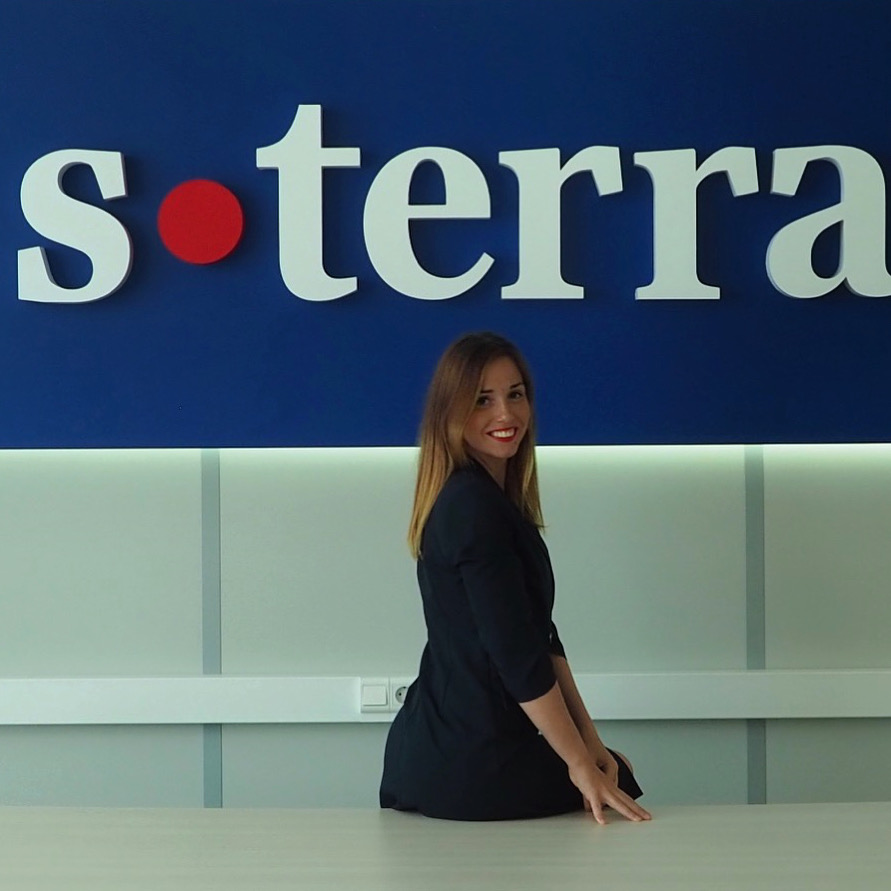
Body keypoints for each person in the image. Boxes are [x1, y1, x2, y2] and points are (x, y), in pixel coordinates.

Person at [380, 332, 651, 825]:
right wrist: (578, 763)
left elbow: (541, 637)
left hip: (444, 746)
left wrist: (590, 745)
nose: (505, 414)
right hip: (468, 760)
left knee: (612, 768)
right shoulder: (472, 507)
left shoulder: (489, 501)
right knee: (616, 779)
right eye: (482, 400)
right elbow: (517, 656)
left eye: (515, 394)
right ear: (450, 411)